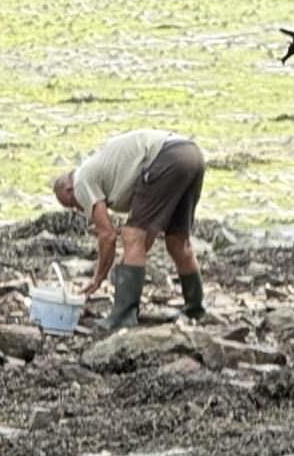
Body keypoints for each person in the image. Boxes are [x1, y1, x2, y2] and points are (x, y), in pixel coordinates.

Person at [53, 129, 206, 333]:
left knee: (131, 235)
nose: (78, 209)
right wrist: (130, 257)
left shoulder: (81, 180)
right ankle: (195, 309)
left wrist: (98, 278)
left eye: (72, 204)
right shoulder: (104, 169)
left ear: (69, 190)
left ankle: (123, 316)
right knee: (178, 242)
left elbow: (107, 235)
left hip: (165, 157)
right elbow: (146, 231)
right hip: (191, 154)